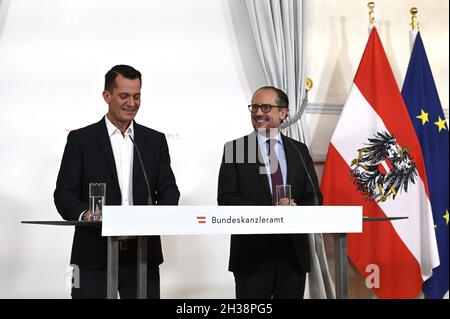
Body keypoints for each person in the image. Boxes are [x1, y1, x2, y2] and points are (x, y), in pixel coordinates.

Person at [54, 64, 180, 298]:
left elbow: (169, 191)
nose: (131, 103)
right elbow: (64, 194)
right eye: (124, 96)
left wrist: (157, 216)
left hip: (143, 255)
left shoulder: (155, 141)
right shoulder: (81, 140)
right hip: (93, 256)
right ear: (107, 96)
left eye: (137, 96)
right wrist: (86, 215)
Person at [217, 86, 323, 299]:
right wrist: (270, 212)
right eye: (254, 107)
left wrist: (296, 209)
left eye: (265, 107)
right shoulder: (236, 149)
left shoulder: (299, 150)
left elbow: (314, 198)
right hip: (251, 256)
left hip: (293, 256)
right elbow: (227, 199)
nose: (257, 113)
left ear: (282, 113)